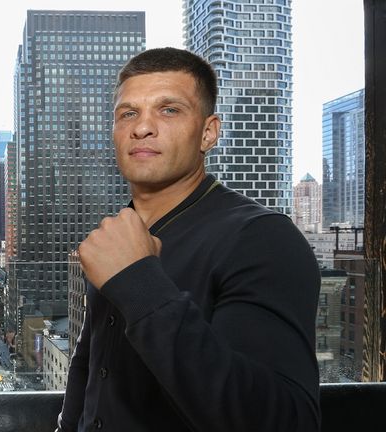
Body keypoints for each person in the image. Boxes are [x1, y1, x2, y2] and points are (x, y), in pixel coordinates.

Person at [57, 47, 321, 431]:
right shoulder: (115, 234)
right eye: (127, 113)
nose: (142, 127)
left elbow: (285, 421)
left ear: (208, 132)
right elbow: (92, 365)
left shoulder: (262, 237)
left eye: (169, 110)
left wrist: (139, 284)